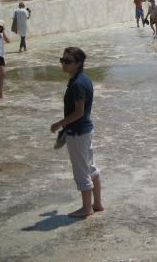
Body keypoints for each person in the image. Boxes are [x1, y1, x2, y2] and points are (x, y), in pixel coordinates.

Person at [50, 47, 103, 218]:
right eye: (62, 60)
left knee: (81, 171)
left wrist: (59, 124)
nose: (63, 64)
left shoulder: (79, 83)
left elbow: (78, 112)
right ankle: (97, 204)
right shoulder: (82, 79)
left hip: (78, 132)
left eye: (68, 61)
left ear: (78, 63)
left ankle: (86, 209)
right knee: (91, 167)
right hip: (85, 130)